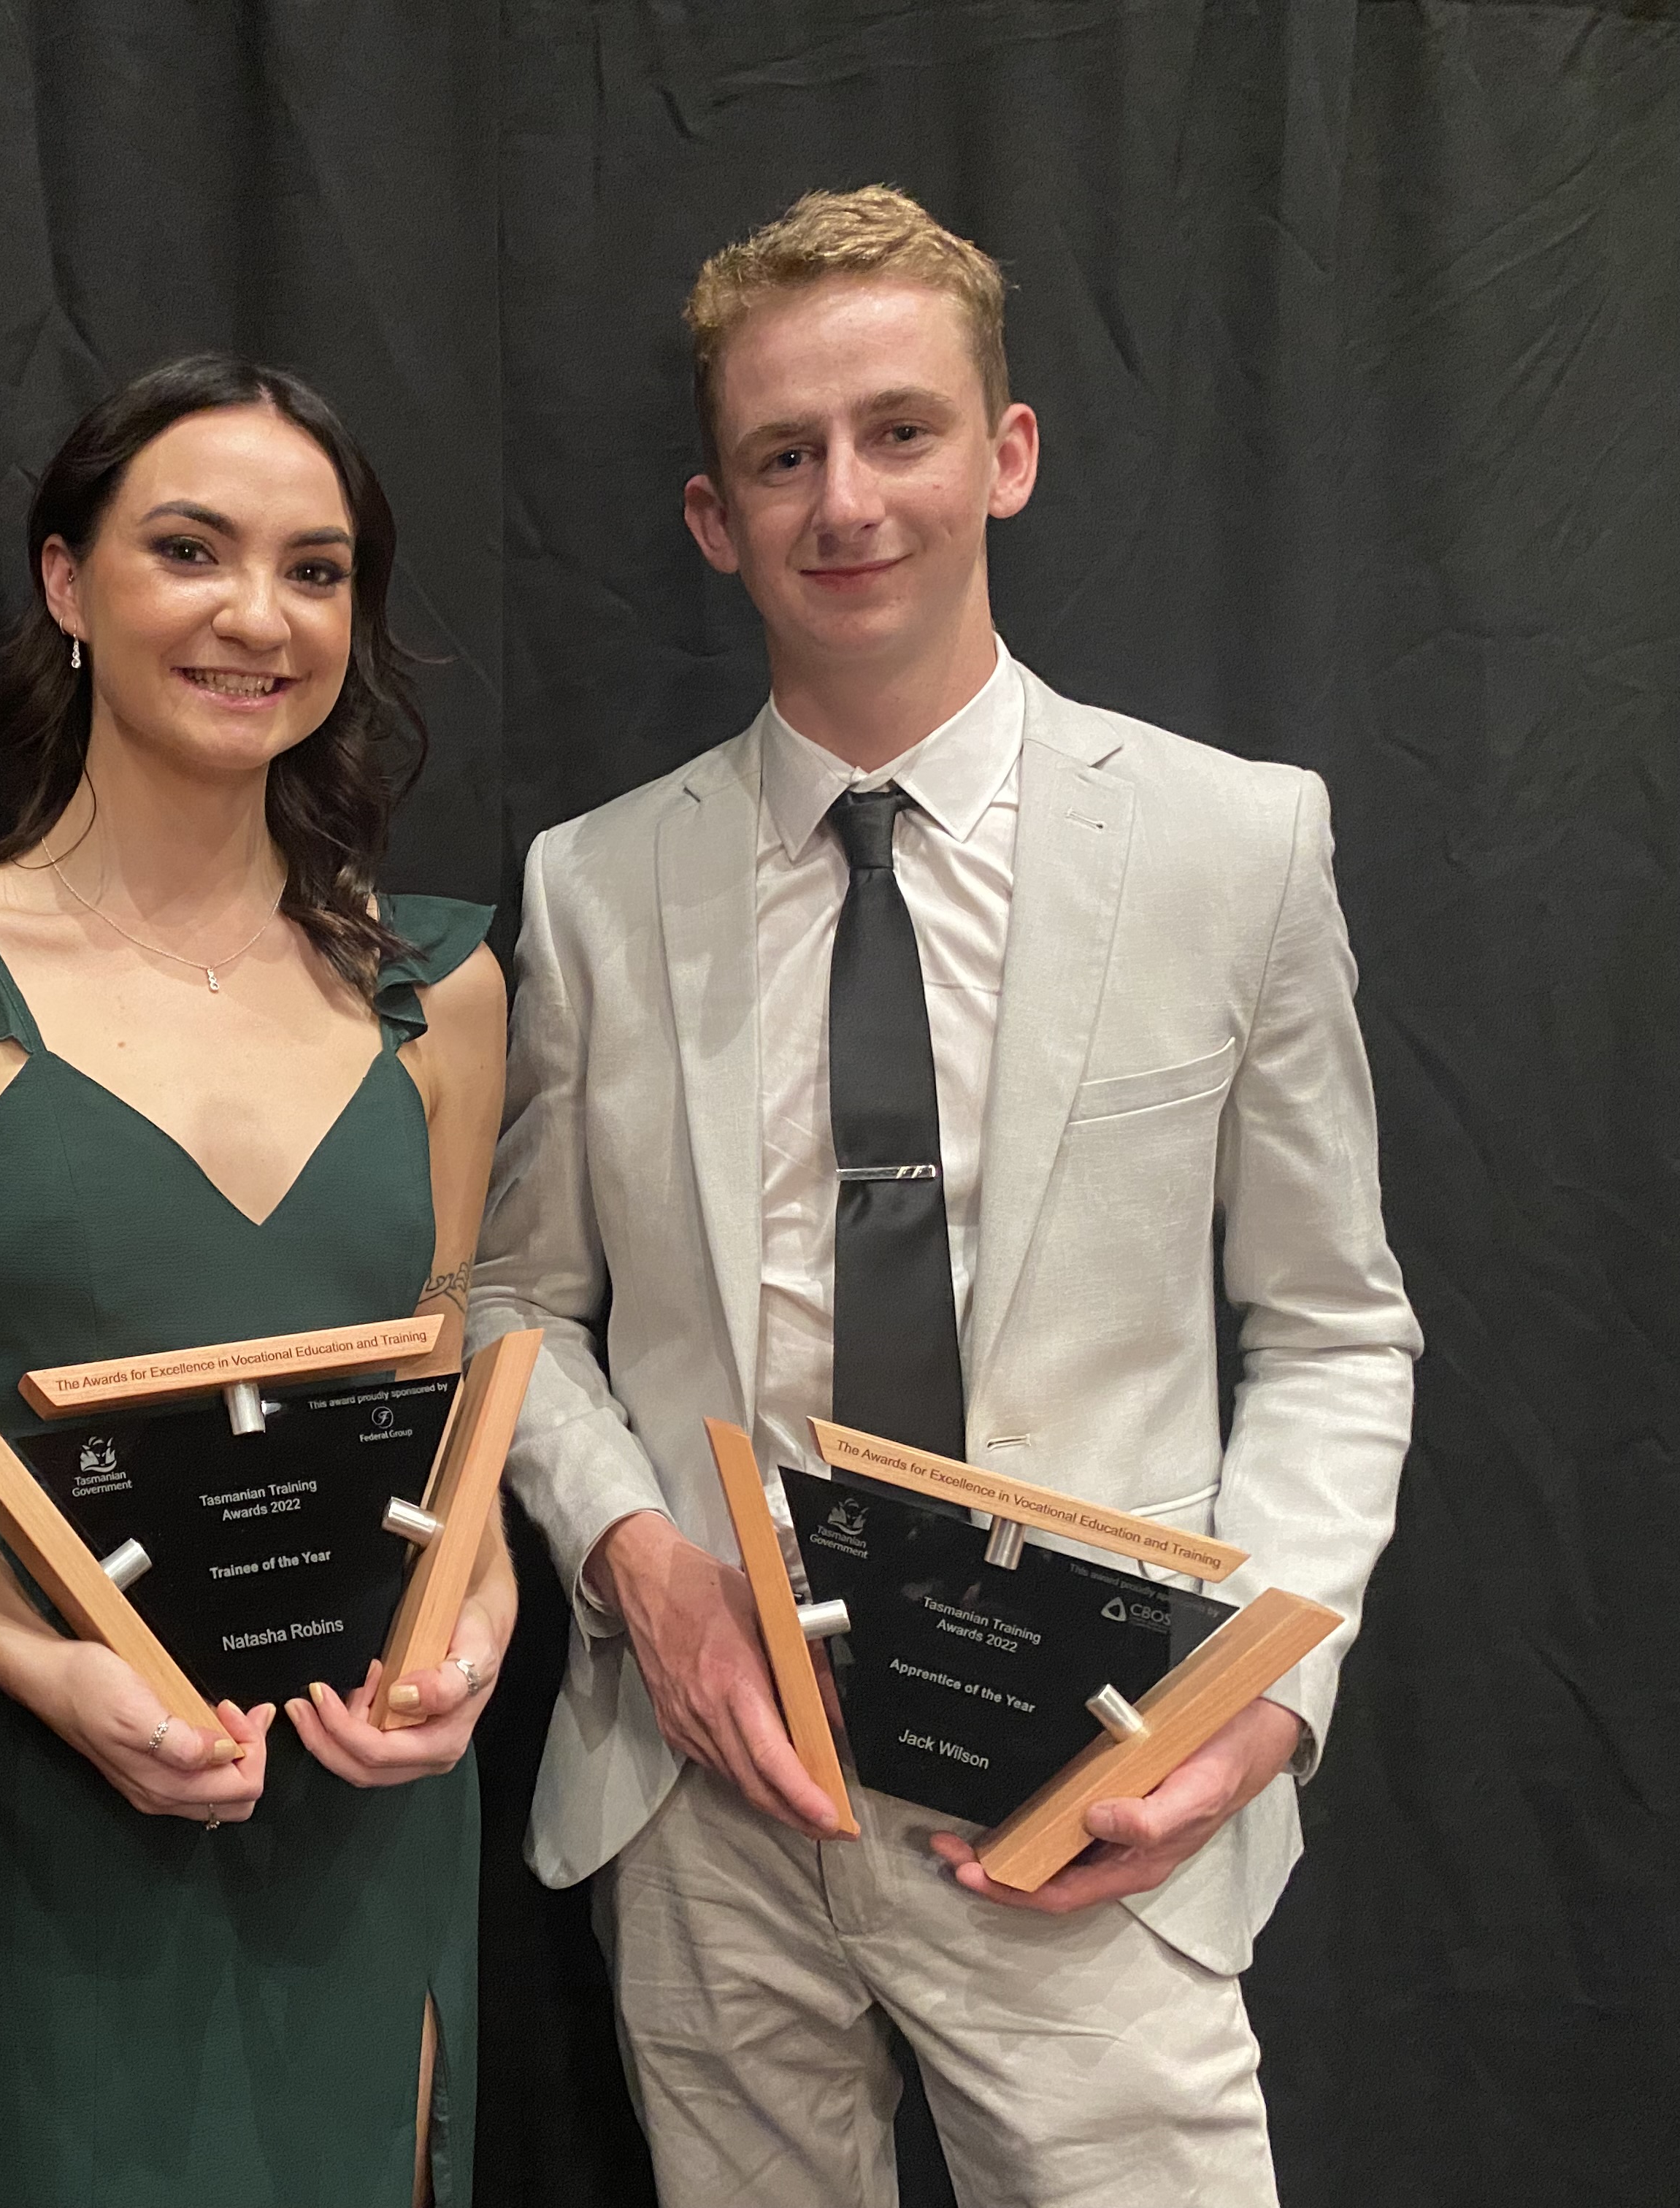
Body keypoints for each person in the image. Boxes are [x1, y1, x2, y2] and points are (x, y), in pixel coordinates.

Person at [477, 188, 1422, 2207]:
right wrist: (636, 1560)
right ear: (713, 516)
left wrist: (1257, 1710)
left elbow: (1338, 1328)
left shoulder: (1232, 848)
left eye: (900, 431)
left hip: (1092, 1794)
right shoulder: (590, 886)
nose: (848, 501)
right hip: (716, 1804)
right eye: (782, 456)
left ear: (1007, 454)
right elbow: (516, 1307)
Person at [0, 355, 511, 2206]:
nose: (258, 616)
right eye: (190, 549)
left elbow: (444, 1389)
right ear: (65, 581)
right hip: (48, 1810)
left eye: (317, 569)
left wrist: (477, 1632)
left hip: (364, 1816)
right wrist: (46, 1670)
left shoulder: (441, 991)